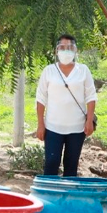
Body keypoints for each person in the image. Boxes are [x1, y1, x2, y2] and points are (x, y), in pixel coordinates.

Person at [35, 35, 97, 177]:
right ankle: (49, 197)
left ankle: (68, 198)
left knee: (71, 165)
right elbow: (41, 98)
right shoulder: (49, 71)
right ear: (56, 51)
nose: (66, 51)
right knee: (51, 162)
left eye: (69, 48)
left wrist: (89, 121)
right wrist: (40, 123)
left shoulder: (83, 71)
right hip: (53, 127)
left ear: (75, 50)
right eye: (62, 48)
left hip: (77, 128)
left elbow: (91, 96)